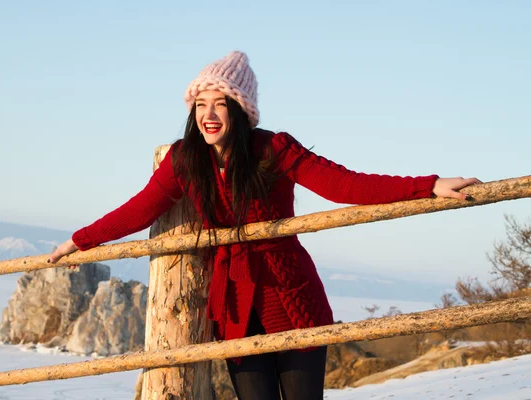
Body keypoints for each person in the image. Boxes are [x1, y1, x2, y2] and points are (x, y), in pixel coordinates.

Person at [49, 51, 480, 400]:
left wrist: (429, 185)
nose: (209, 114)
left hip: (292, 298)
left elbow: (345, 185)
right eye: (201, 104)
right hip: (233, 305)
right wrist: (79, 242)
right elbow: (139, 209)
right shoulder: (185, 159)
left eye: (220, 103)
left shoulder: (272, 148)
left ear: (240, 109)